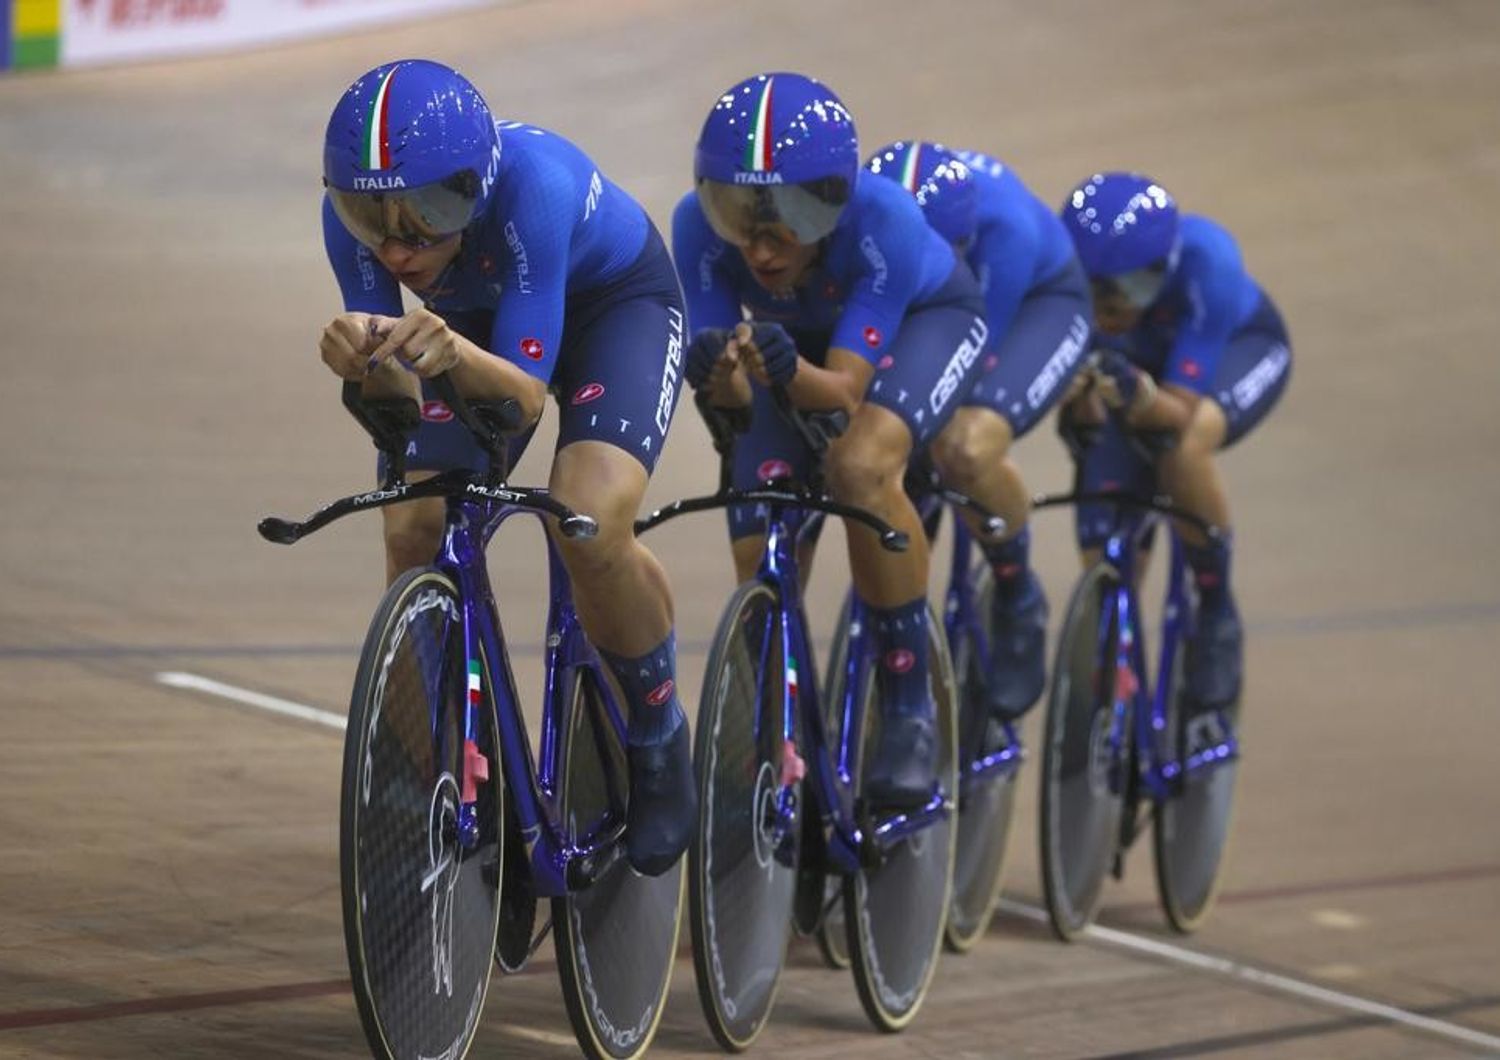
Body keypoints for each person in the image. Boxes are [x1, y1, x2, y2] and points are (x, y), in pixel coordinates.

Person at [316, 58, 694, 876]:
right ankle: (425, 775)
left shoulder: (535, 192)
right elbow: (399, 406)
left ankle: (659, 730)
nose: (396, 245)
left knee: (588, 521)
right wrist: (360, 362)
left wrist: (446, 351)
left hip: (612, 308)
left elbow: (520, 400)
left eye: (426, 213)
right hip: (473, 329)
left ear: (476, 187)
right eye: (368, 214)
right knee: (414, 524)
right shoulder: (353, 229)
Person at [672, 72, 989, 806]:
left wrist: (779, 367)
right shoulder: (695, 226)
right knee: (759, 524)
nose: (759, 246)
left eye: (786, 218)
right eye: (737, 214)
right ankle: (780, 728)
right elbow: (735, 403)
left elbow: (845, 392)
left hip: (922, 328)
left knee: (860, 465)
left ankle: (909, 704)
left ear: (834, 199)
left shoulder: (886, 220)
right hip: (800, 345)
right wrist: (717, 373)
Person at [865, 142, 1090, 738]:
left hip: (1040, 302)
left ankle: (1017, 587)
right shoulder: (870, 215)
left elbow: (961, 361)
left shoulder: (1004, 236)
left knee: (963, 445)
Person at [1058, 172, 1292, 734]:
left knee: (1181, 449)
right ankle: (1114, 659)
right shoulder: (1075, 288)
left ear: (1162, 269)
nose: (1110, 309)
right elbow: (1079, 422)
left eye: (1127, 291)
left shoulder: (1207, 262)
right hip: (1141, 375)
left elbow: (1174, 412)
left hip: (1235, 355)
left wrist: (1133, 393)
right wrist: (1081, 413)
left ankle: (1214, 607)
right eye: (1096, 292)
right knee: (1103, 535)